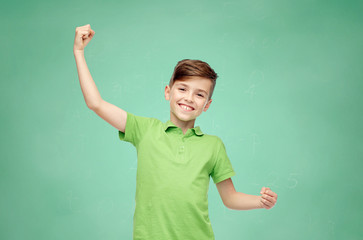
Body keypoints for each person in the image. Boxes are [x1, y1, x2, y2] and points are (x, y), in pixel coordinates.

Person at [73, 24, 278, 240]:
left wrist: (260, 201)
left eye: (199, 95)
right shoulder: (145, 130)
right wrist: (79, 52)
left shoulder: (213, 146)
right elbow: (95, 103)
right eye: (182, 89)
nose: (189, 98)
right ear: (167, 92)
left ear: (207, 105)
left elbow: (230, 198)